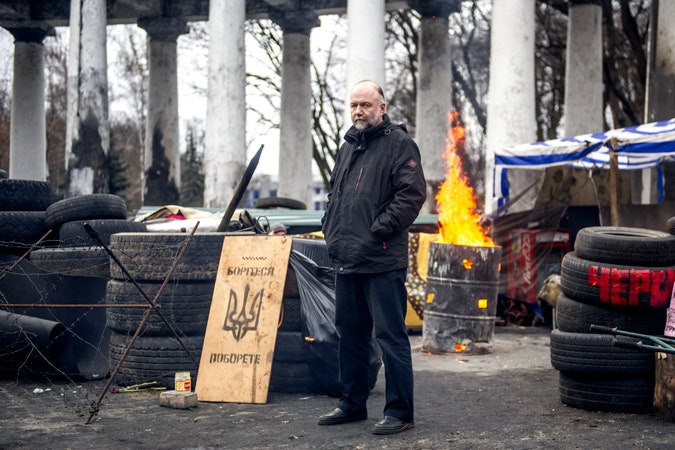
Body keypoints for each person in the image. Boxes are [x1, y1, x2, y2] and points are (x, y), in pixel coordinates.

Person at [319, 80, 427, 435]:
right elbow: (337, 196)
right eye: (353, 105)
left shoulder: (399, 144)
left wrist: (378, 230)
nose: (358, 111)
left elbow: (411, 195)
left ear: (382, 108)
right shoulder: (348, 146)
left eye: (365, 105)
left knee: (390, 337)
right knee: (350, 335)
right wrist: (330, 227)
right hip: (347, 258)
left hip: (381, 260)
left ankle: (400, 411)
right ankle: (351, 403)